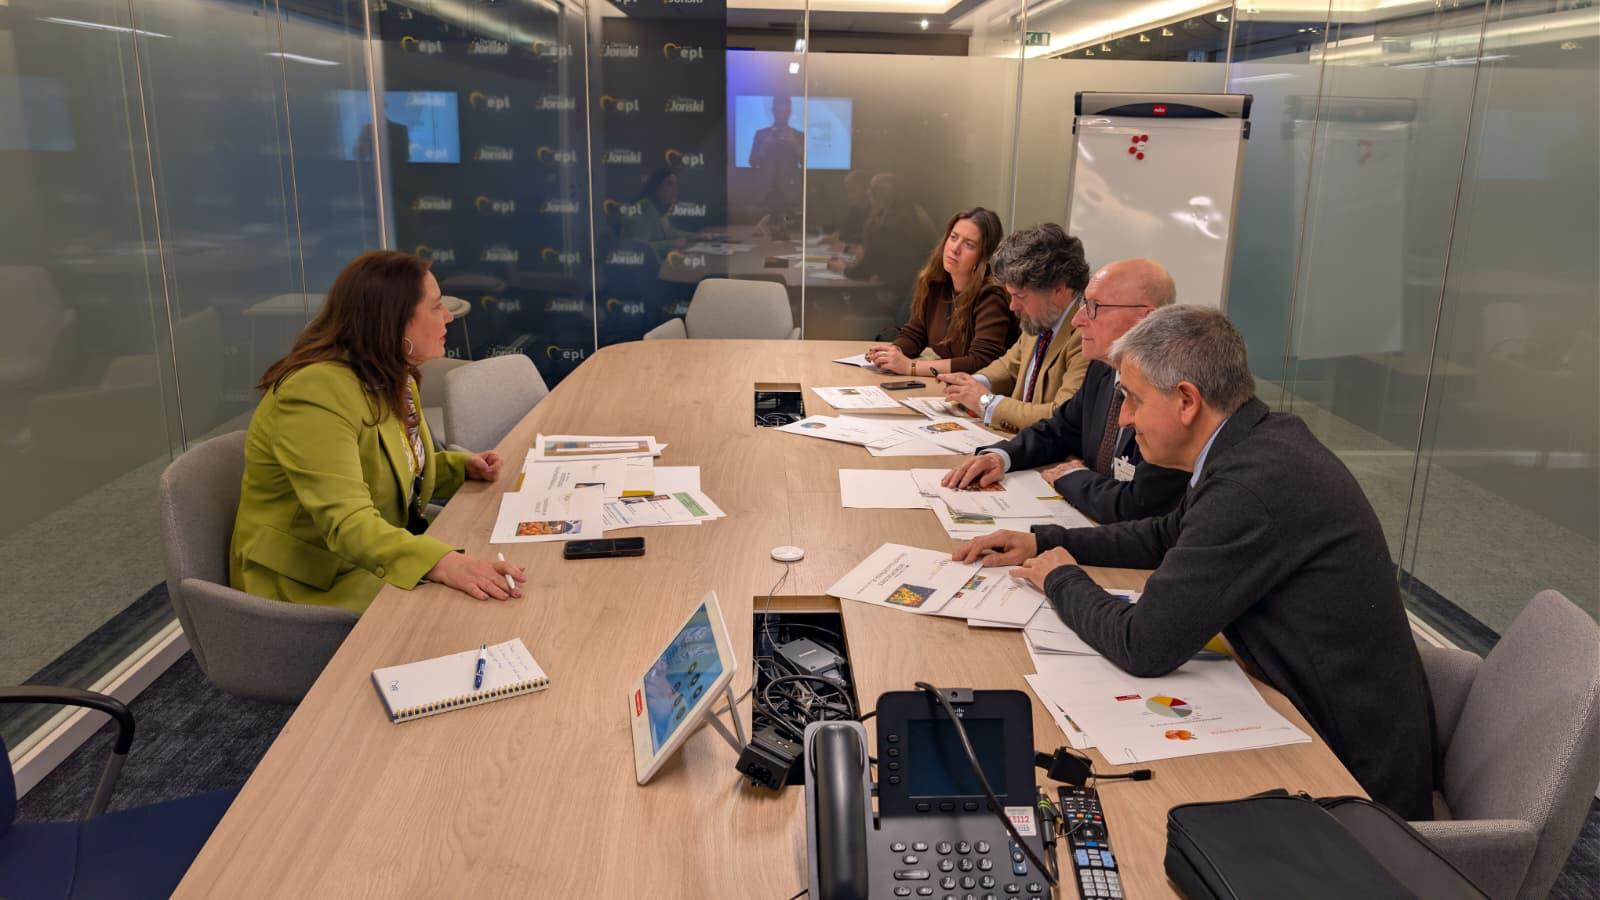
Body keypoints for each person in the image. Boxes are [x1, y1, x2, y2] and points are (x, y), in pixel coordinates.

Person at [953, 305, 1434, 819]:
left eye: (1134, 399)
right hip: (1307, 711)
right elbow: (1166, 535)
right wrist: (1042, 541)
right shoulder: (1256, 441)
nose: (1126, 418)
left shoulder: (1251, 485)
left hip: (1352, 783)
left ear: (1186, 400)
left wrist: (1061, 578)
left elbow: (1144, 644)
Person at [232, 251, 527, 613]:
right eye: (436, 307)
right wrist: (444, 563)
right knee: (464, 607)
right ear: (395, 322)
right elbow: (348, 523)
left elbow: (392, 465)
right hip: (311, 581)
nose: (448, 317)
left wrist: (458, 467)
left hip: (371, 551)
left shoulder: (392, 374)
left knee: (498, 558)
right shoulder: (314, 393)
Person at [942, 259, 1188, 523]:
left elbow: (1138, 505)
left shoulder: (1171, 394)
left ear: (1145, 320)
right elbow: (1060, 429)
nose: (1078, 319)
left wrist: (1072, 477)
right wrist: (1002, 457)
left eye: (1094, 307)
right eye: (1083, 304)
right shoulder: (1103, 369)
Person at [936, 223, 1090, 432]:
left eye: (1020, 296)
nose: (1013, 306)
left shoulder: (1087, 335)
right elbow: (1010, 367)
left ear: (1058, 289)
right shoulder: (1042, 317)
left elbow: (1060, 415)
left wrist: (985, 402)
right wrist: (971, 384)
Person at [862, 207, 1017, 377]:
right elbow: (915, 333)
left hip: (983, 389)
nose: (955, 248)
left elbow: (981, 362)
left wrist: (910, 367)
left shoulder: (991, 296)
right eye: (953, 237)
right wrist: (893, 352)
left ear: (983, 256)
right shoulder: (937, 283)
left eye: (969, 244)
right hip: (948, 384)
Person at [749, 95, 803, 228]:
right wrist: (764, 145)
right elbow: (752, 161)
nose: (782, 115)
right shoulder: (761, 135)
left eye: (785, 112)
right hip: (765, 196)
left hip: (789, 196)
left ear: (790, 112)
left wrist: (794, 143)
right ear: (773, 111)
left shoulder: (798, 136)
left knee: (789, 232)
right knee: (762, 234)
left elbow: (805, 162)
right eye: (779, 111)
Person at [624, 168, 692, 254]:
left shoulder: (660, 206)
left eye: (676, 186)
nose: (675, 191)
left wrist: (693, 237)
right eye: (669, 185)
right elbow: (640, 248)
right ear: (656, 187)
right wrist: (672, 244)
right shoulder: (643, 208)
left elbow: (668, 232)